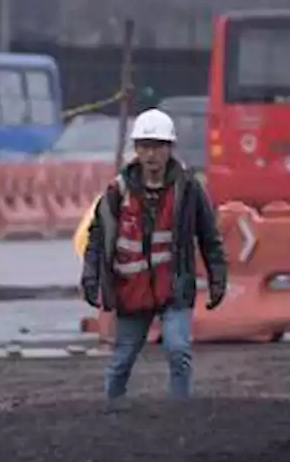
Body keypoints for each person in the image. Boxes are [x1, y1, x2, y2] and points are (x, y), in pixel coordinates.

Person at [81, 108, 227, 401]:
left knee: (178, 351)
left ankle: (180, 414)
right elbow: (97, 238)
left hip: (174, 288)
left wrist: (217, 279)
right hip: (132, 290)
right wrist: (91, 278)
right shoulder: (117, 191)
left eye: (158, 147)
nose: (151, 155)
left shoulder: (188, 190)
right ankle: (111, 413)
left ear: (169, 149)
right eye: (145, 147)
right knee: (121, 360)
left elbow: (209, 238)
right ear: (136, 150)